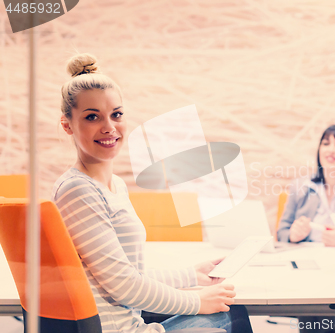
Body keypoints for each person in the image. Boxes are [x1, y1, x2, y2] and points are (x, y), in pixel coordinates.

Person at [51, 53, 253, 333]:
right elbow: (124, 286)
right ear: (67, 125)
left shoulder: (114, 187)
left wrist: (192, 275)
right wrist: (196, 301)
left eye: (116, 114)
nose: (109, 126)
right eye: (92, 117)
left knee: (233, 314)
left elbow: (128, 275)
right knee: (231, 318)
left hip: (133, 325)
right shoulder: (77, 190)